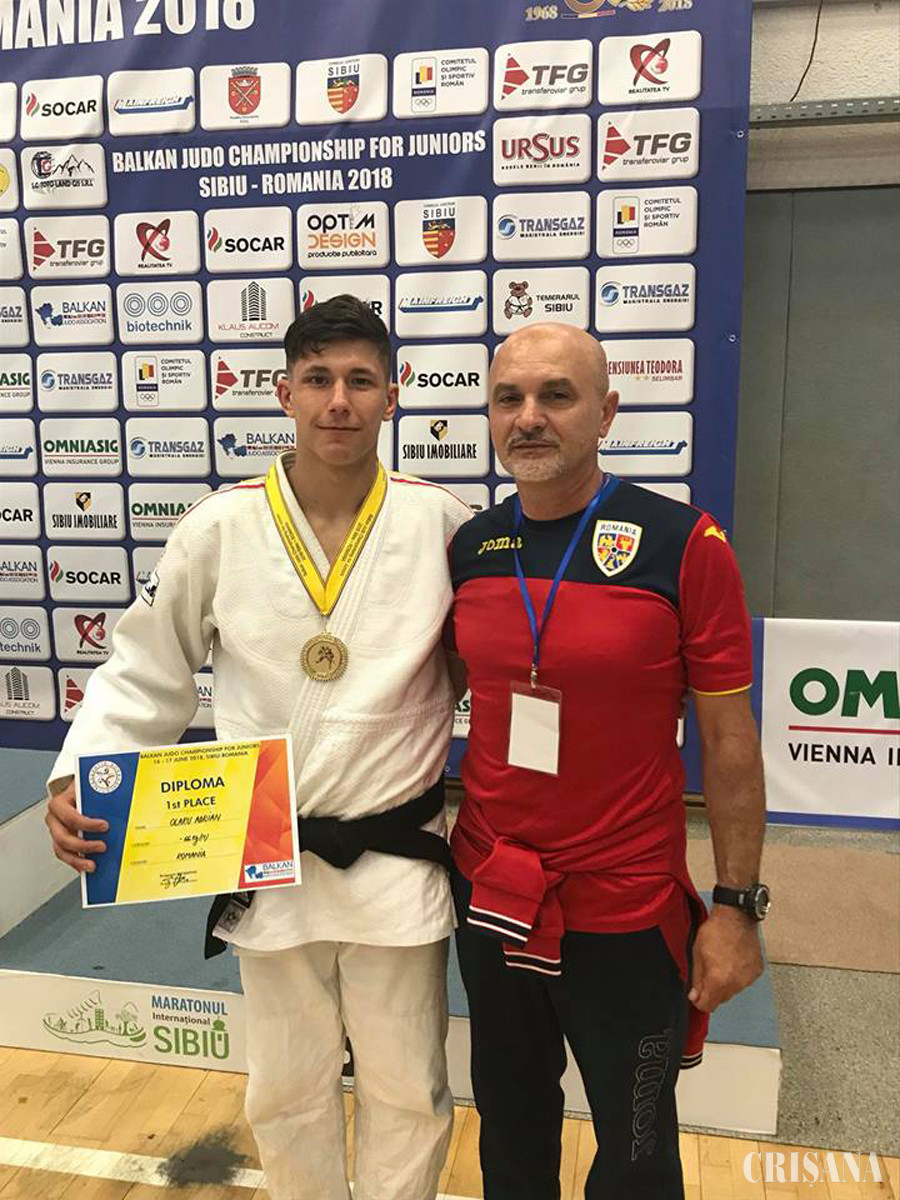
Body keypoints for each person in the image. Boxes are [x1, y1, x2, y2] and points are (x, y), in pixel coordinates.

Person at [44, 295, 472, 1200]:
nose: (339, 401)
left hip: (397, 854)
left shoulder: (442, 523)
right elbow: (145, 668)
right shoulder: (219, 526)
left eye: (360, 380)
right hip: (266, 850)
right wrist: (80, 775)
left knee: (409, 1086)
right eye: (318, 380)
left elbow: (493, 663)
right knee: (285, 1088)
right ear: (284, 393)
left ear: (393, 395)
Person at [446, 323, 769, 1199]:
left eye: (556, 395)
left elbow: (730, 741)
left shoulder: (682, 544)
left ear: (606, 412)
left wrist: (737, 907)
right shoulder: (470, 547)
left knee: (635, 1151)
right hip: (492, 890)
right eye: (508, 398)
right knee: (509, 1123)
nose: (529, 417)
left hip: (624, 910)